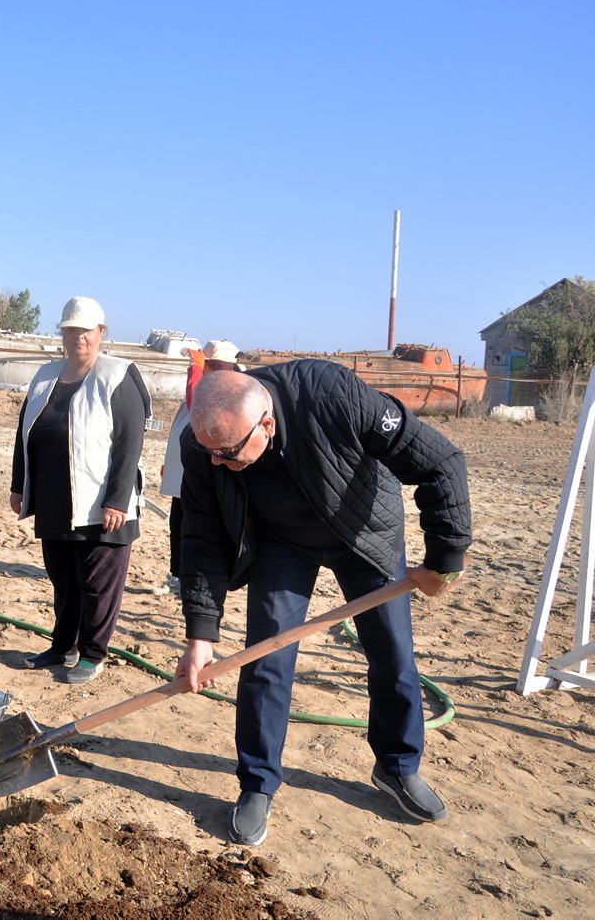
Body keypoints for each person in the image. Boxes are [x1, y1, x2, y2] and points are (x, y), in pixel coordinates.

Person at [176, 363, 471, 847]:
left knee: (393, 654)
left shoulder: (335, 397)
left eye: (228, 454)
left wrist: (444, 561)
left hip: (362, 532)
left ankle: (397, 767)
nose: (216, 463)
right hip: (279, 544)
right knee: (266, 660)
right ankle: (257, 783)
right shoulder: (204, 445)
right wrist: (200, 634)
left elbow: (441, 462)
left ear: (265, 424)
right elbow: (201, 537)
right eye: (210, 452)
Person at [10, 296, 151, 684]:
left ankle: (92, 653)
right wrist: (19, 485)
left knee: (97, 583)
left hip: (99, 501)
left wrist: (118, 498)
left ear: (101, 333)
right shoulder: (45, 375)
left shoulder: (118, 375)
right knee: (63, 580)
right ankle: (62, 646)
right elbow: (24, 434)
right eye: (70, 330)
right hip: (55, 499)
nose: (78, 337)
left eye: (86, 330)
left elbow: (129, 442)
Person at [160, 339, 242, 592]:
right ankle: (177, 575)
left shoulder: (223, 391)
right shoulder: (197, 387)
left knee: (201, 527)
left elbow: (198, 406)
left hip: (203, 473)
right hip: (181, 472)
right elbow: (179, 426)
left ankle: (203, 577)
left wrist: (195, 370)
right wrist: (168, 464)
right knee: (178, 524)